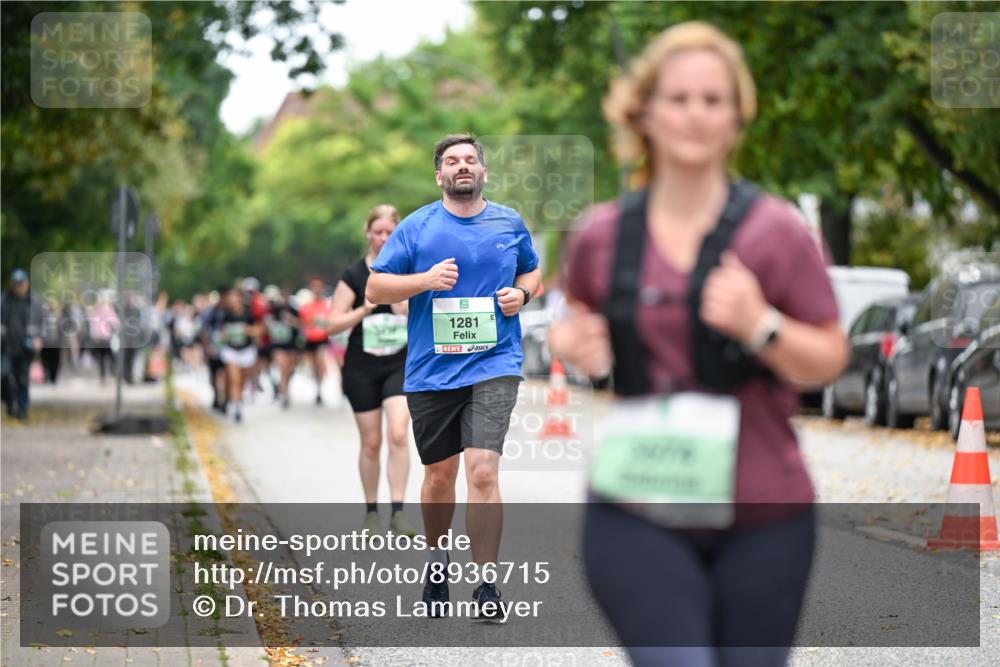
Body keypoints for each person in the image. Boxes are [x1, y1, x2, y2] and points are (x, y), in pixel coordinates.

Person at [548, 22, 849, 667]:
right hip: (637, 506)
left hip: (764, 514)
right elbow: (572, 318)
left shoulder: (776, 233)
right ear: (644, 111)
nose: (695, 115)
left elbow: (829, 356)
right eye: (679, 98)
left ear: (737, 116)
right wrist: (577, 343)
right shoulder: (600, 236)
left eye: (713, 100)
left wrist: (761, 325)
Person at [366, 134, 541, 617]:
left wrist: (522, 296)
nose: (462, 167)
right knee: (439, 477)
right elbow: (376, 285)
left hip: (495, 364)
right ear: (439, 175)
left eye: (469, 160)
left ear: (483, 171)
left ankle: (487, 584)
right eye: (451, 161)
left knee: (483, 470)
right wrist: (423, 281)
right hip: (431, 372)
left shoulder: (509, 222)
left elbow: (533, 273)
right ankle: (437, 557)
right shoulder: (417, 227)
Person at [329, 204, 415, 536]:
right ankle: (370, 512)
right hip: (361, 367)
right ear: (368, 233)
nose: (383, 238)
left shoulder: (407, 270)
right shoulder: (353, 275)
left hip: (399, 363)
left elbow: (423, 313)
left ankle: (398, 511)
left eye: (389, 232)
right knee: (371, 443)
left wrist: (401, 304)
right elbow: (330, 322)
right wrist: (362, 310)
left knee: (397, 433)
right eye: (377, 232)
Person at [1, 269, 43, 419]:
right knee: (3, 375)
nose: (19, 286)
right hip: (6, 346)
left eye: (21, 283)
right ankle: (11, 402)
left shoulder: (34, 301)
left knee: (23, 379)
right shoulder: (4, 300)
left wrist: (38, 337)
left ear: (26, 283)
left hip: (25, 347)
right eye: (16, 283)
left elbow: (41, 323)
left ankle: (22, 410)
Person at [217, 286, 260, 423]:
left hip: (246, 350)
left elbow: (259, 330)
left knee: (242, 379)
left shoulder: (249, 314)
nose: (232, 300)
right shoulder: (225, 315)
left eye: (235, 297)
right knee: (234, 378)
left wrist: (248, 330)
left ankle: (238, 400)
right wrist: (224, 336)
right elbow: (221, 333)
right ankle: (236, 406)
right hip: (231, 351)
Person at [298, 278, 334, 406]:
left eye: (319, 288)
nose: (317, 290)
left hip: (322, 339)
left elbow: (332, 321)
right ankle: (317, 387)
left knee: (320, 362)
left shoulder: (327, 305)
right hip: (310, 340)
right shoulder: (306, 306)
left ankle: (320, 389)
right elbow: (302, 323)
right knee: (313, 366)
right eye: (315, 288)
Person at [265, 286, 301, 409]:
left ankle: (282, 387)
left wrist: (291, 320)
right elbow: (267, 324)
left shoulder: (294, 310)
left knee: (290, 370)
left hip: (291, 345)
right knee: (283, 368)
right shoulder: (274, 310)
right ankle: (285, 394)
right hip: (278, 345)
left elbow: (301, 325)